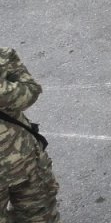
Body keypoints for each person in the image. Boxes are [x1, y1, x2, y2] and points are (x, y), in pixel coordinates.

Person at [1, 48, 61, 222]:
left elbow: (30, 92)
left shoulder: (3, 56)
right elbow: (29, 92)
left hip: (26, 163)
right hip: (21, 161)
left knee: (41, 215)